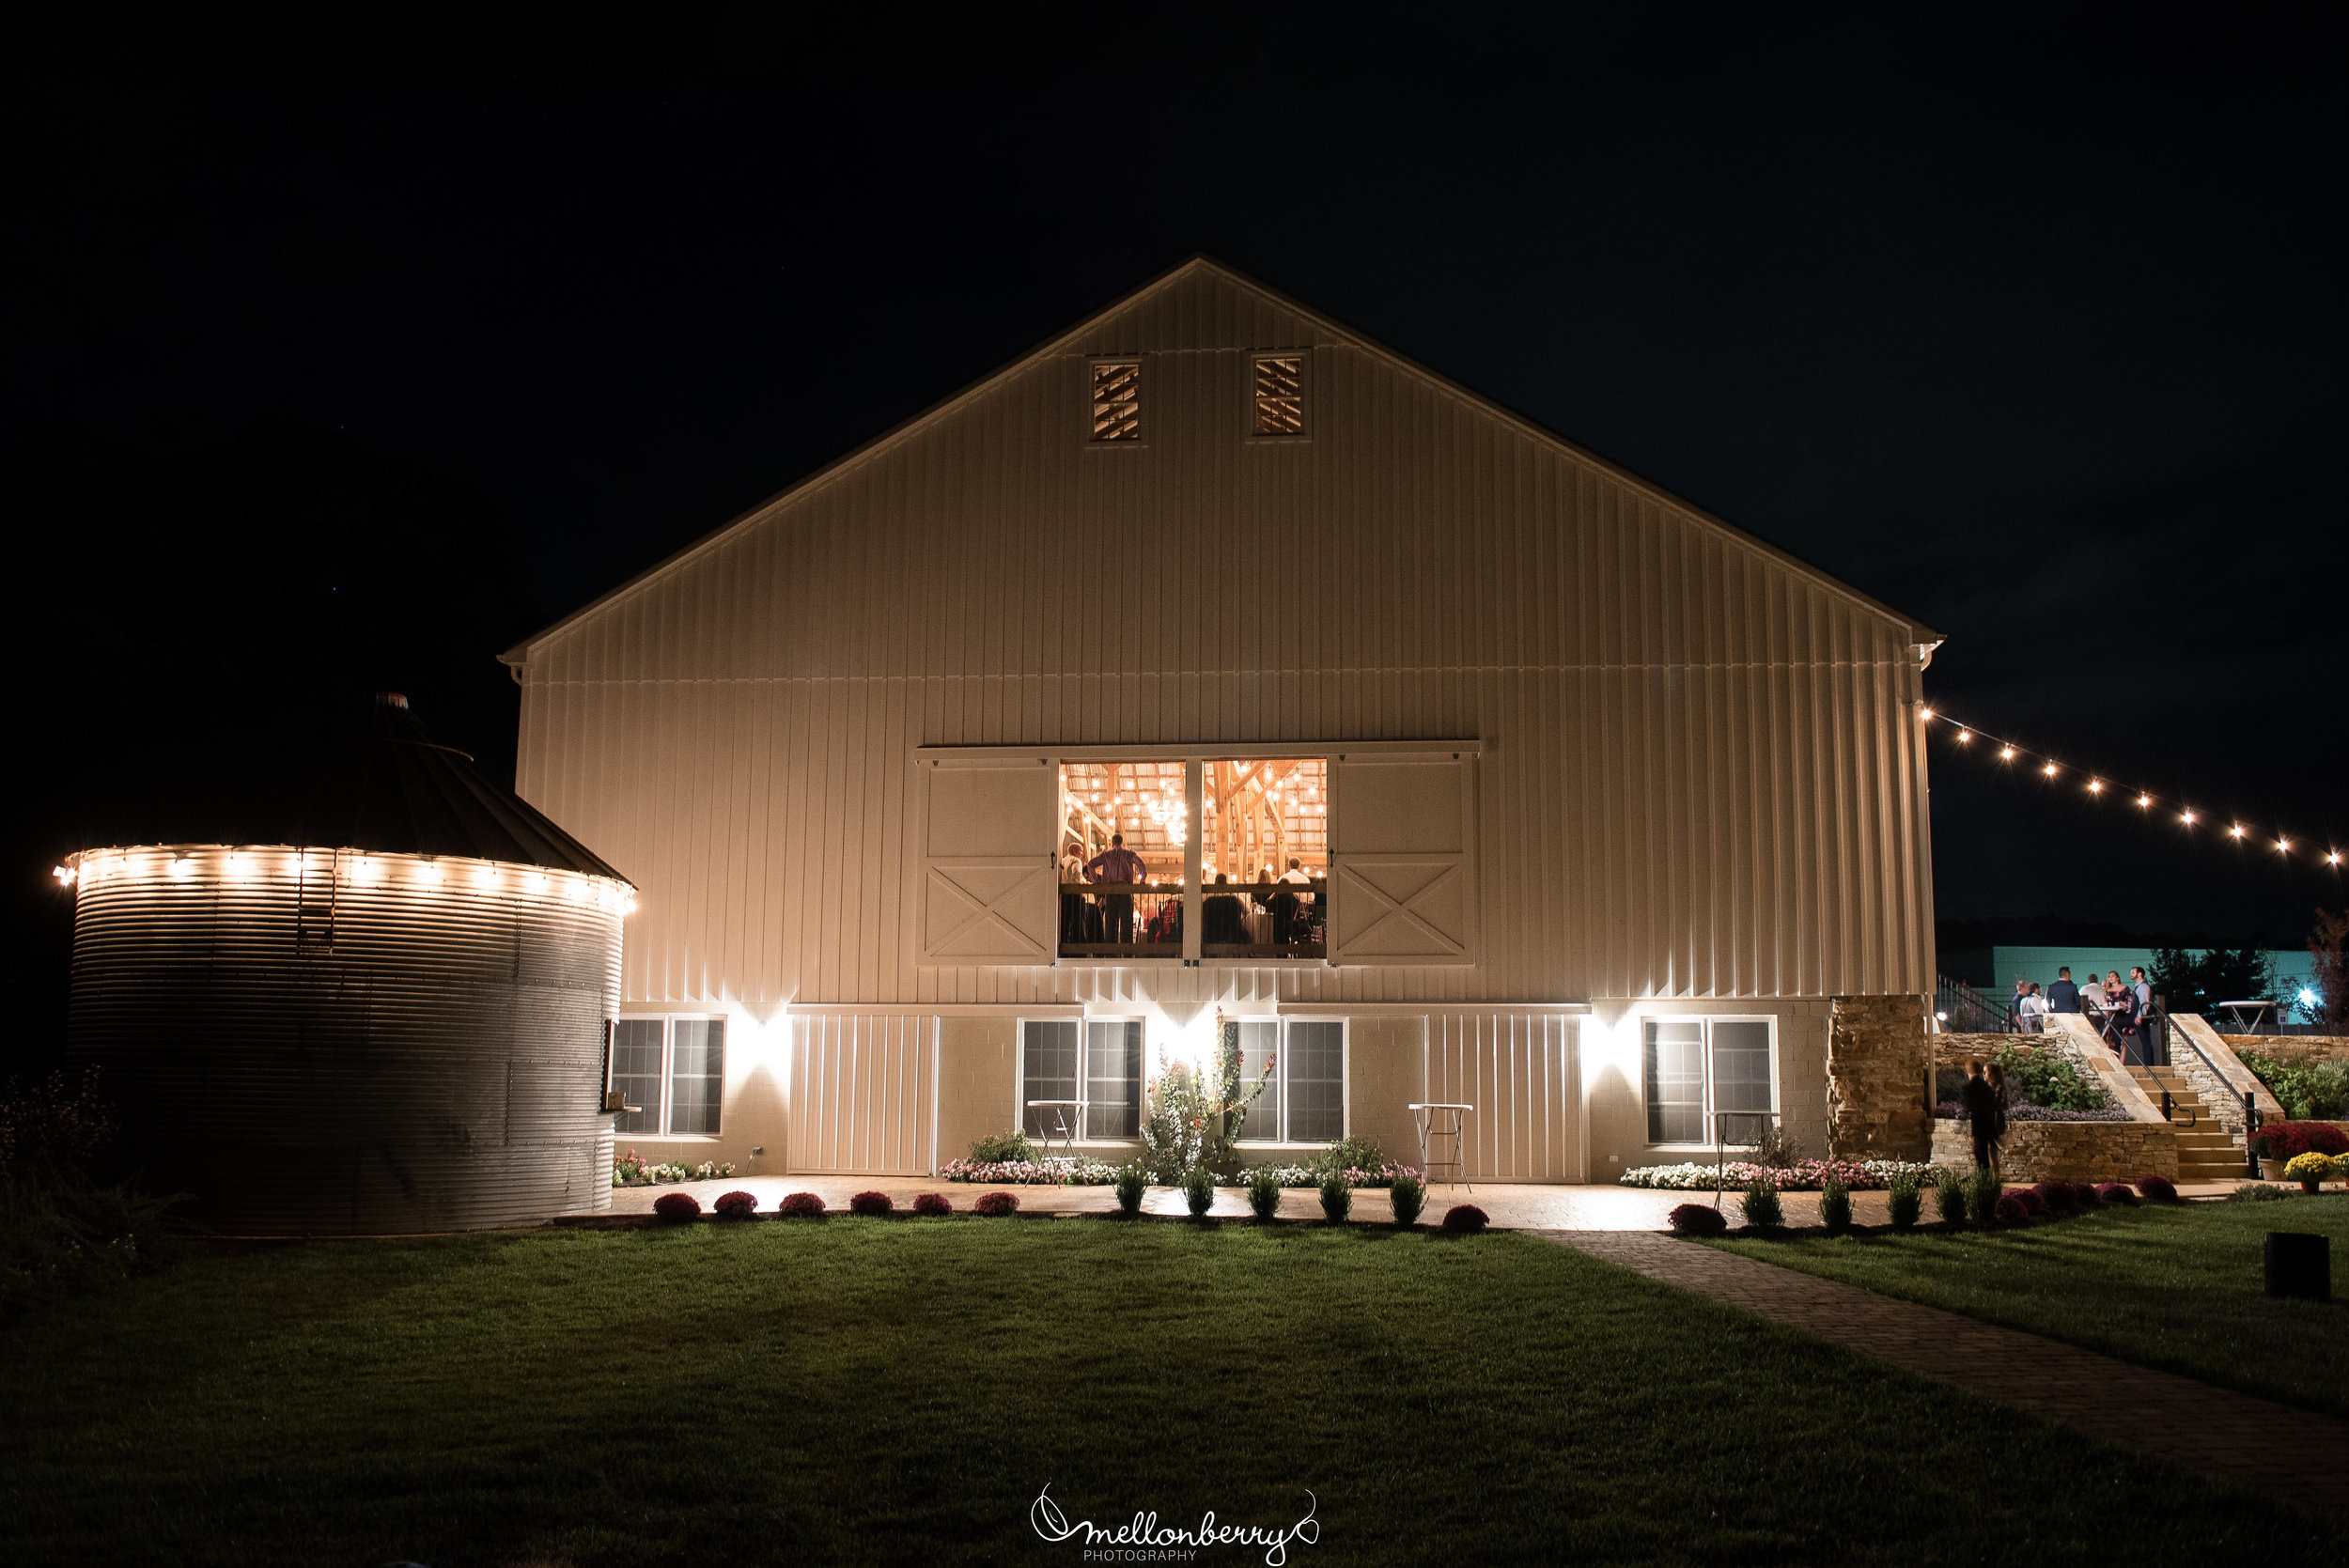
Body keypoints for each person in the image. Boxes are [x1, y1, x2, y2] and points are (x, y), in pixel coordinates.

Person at [1085, 833, 1148, 945]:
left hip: (1110, 891)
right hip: (1126, 891)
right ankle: (1127, 951)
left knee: (1110, 923)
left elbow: (1090, 864)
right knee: (1127, 923)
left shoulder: (1106, 855)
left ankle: (1111, 952)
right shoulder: (1130, 854)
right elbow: (1141, 865)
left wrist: (1096, 882)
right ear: (1121, 842)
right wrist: (1142, 881)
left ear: (1112, 843)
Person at [1961, 1060, 2003, 1174]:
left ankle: (1984, 1180)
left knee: (1980, 1153)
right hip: (1988, 1125)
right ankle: (1988, 1179)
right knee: (1985, 1153)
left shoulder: (1968, 1088)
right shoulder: (1987, 1088)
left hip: (1979, 1126)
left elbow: (1972, 1110)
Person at [1203, 872, 1247, 945]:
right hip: (1231, 931)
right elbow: (1246, 909)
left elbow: (1202, 910)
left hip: (1212, 932)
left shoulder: (1208, 896)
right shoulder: (1233, 895)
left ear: (1215, 882)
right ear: (1226, 882)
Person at [1059, 842, 1089, 945]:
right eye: (1081, 852)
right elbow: (1076, 874)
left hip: (1064, 895)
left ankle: (1065, 947)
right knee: (1078, 923)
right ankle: (1079, 949)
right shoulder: (1076, 861)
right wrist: (1080, 889)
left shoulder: (1062, 861)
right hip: (1074, 895)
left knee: (1065, 922)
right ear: (1075, 851)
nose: (1082, 854)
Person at [2131, 966, 2156, 1062]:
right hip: (2138, 1016)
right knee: (2145, 1040)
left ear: (2139, 974)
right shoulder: (2138, 986)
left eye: (2133, 972)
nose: (2131, 974)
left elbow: (2144, 1003)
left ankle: (2149, 1064)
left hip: (2141, 1017)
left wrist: (2139, 1016)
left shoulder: (2143, 987)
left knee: (2145, 1040)